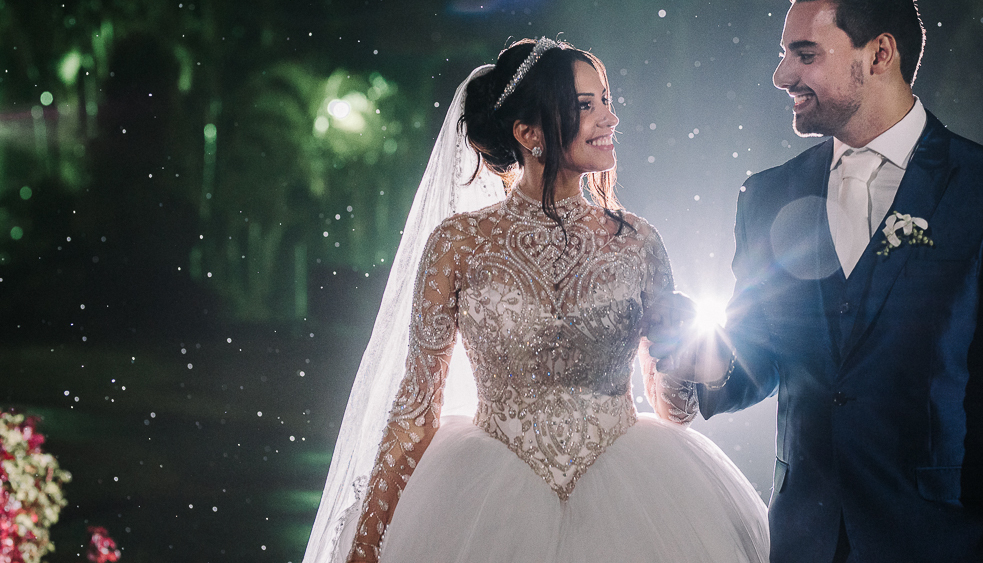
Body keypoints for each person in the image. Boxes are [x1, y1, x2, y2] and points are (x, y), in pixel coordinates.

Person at [651, 0, 983, 563]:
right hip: (806, 542)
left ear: (879, 54)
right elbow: (759, 362)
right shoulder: (767, 196)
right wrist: (706, 360)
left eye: (805, 54)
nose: (781, 75)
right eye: (784, 54)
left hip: (945, 543)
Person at [302, 38, 769, 563]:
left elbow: (673, 410)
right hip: (482, 499)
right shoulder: (459, 244)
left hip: (631, 500)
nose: (610, 118)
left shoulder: (639, 242)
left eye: (607, 100)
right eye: (586, 105)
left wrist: (684, 357)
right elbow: (416, 407)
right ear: (529, 134)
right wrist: (366, 544)